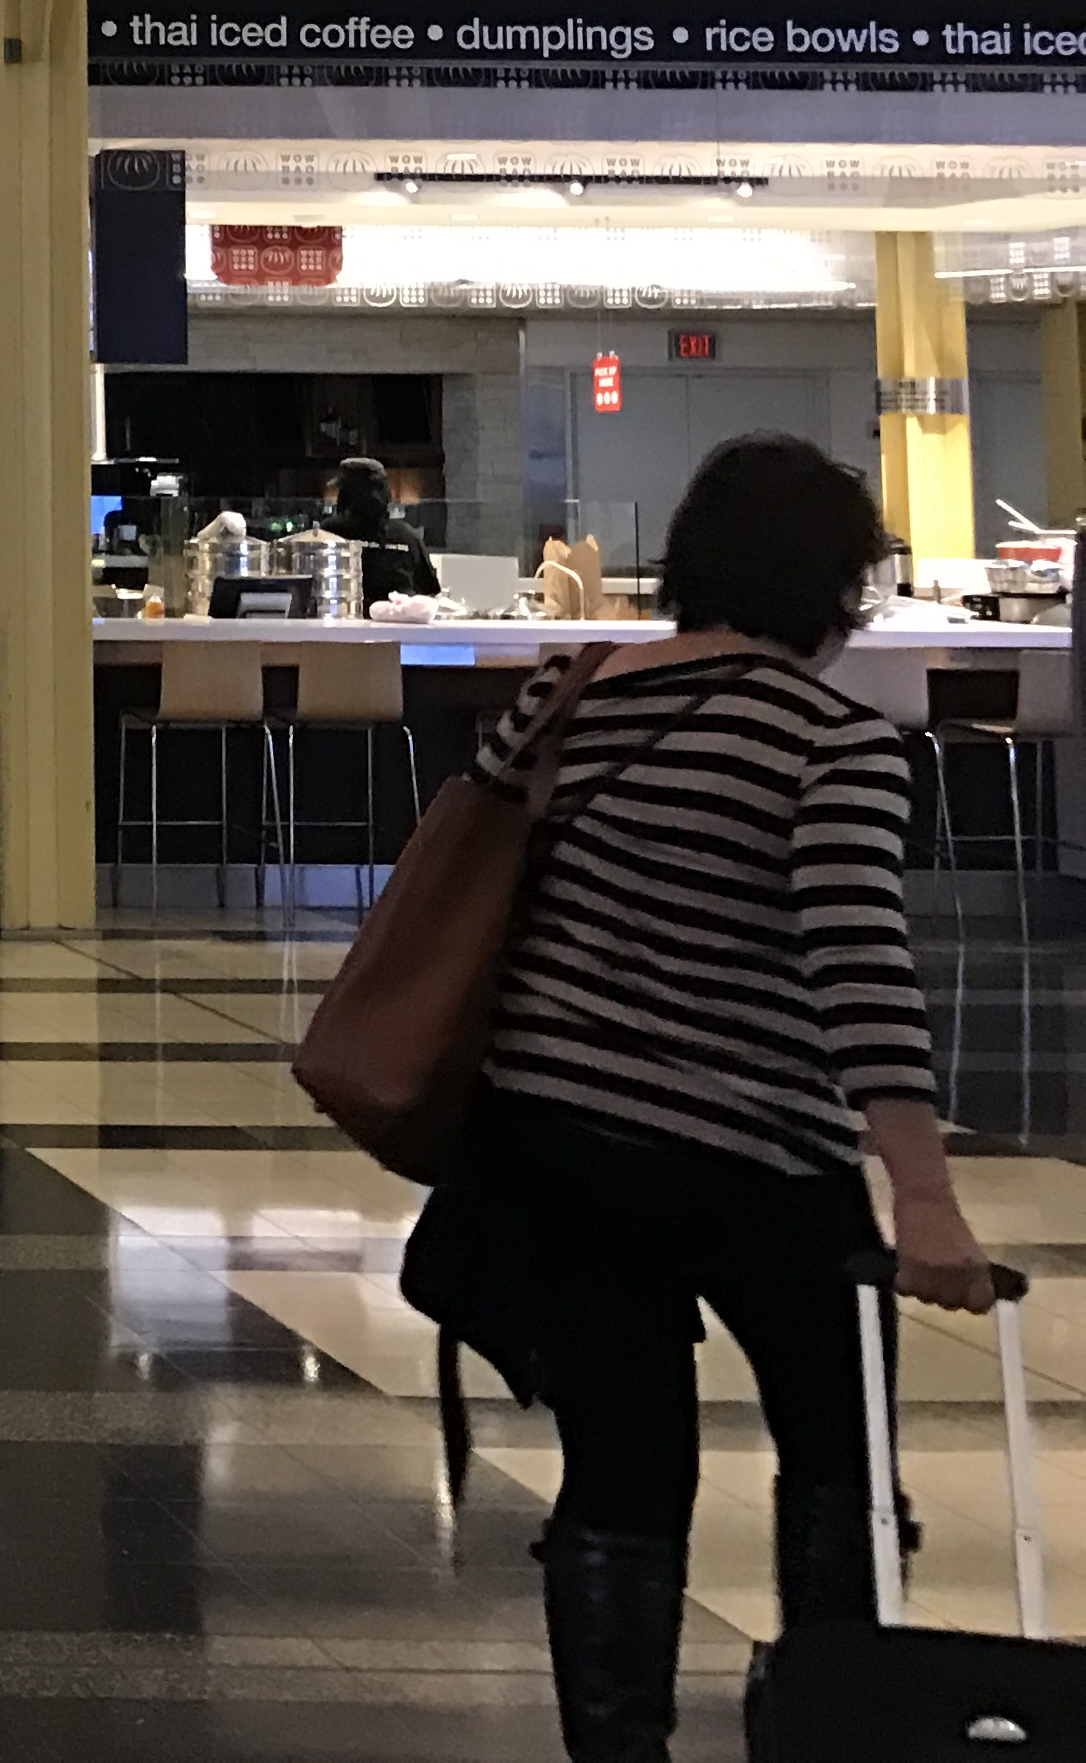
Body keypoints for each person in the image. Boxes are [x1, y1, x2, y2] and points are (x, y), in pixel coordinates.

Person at [412, 431, 986, 1763]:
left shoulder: (569, 688)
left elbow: (483, 868)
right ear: (833, 589)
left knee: (621, 1467)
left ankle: (620, 1749)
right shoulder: (833, 738)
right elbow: (859, 967)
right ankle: (836, 1725)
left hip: (552, 1141)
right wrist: (927, 1200)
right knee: (838, 1460)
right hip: (760, 1156)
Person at [317, 455, 442, 609]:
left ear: (346, 494)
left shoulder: (329, 534)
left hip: (345, 626)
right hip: (398, 628)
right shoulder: (408, 536)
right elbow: (429, 590)